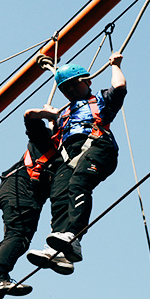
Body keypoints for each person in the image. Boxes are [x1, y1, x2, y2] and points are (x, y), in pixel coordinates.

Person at [0, 107, 73, 299]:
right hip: (20, 189)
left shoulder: (62, 152)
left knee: (16, 238)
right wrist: (51, 115)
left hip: (20, 192)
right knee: (18, 236)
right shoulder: (45, 140)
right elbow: (29, 116)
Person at [26, 52, 127, 269]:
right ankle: (58, 246)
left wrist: (115, 65)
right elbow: (40, 124)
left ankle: (74, 237)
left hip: (97, 146)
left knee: (79, 183)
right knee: (60, 195)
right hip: (68, 155)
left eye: (74, 85)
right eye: (65, 89)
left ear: (87, 82)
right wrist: (48, 117)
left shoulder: (99, 99)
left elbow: (119, 88)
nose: (70, 90)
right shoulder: (63, 113)